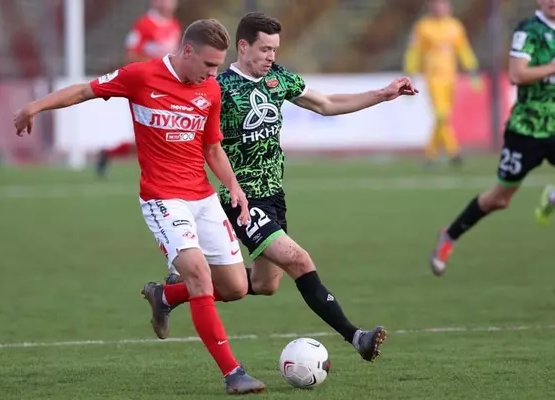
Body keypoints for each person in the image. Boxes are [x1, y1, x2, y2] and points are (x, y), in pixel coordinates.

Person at [13, 19, 266, 395]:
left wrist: (233, 186)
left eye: (218, 66)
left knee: (236, 287)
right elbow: (84, 91)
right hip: (162, 198)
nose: (214, 74)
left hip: (202, 197)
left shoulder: (210, 90)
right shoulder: (141, 76)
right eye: (209, 64)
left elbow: (212, 147)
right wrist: (35, 106)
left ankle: (165, 296)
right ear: (187, 51)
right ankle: (234, 373)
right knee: (199, 275)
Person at [155, 12, 419, 363]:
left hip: (274, 196)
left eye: (275, 50)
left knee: (265, 284)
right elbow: (194, 135)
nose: (271, 56)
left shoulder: (278, 78)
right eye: (264, 49)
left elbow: (326, 104)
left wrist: (383, 94)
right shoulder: (218, 86)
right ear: (243, 46)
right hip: (241, 199)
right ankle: (357, 337)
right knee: (299, 259)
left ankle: (168, 295)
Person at [430, 0, 555, 276]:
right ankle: (449, 235)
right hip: (528, 129)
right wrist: (551, 67)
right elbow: (517, 74)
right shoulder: (530, 30)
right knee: (499, 199)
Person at [96, 0, 181, 177]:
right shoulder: (144, 24)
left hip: (168, 86)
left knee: (158, 134)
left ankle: (108, 153)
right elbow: (131, 54)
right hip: (148, 86)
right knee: (156, 133)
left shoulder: (174, 25)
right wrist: (153, 68)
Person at [403, 0, 481, 166]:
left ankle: (430, 154)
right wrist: (410, 72)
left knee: (444, 118)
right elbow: (414, 51)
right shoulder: (423, 26)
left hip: (451, 77)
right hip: (432, 77)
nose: (440, 8)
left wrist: (472, 69)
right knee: (441, 114)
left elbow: (463, 49)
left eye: (443, 4)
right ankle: (454, 151)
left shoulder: (455, 26)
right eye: (437, 5)